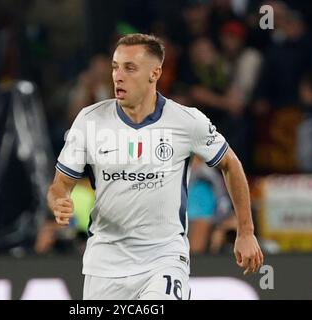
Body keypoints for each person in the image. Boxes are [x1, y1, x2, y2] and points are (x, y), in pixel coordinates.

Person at [47, 33, 264, 300]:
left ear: (155, 73)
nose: (118, 76)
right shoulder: (89, 121)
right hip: (104, 265)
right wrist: (59, 200)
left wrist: (246, 231)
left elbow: (230, 164)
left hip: (164, 260)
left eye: (130, 68)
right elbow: (60, 185)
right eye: (115, 67)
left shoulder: (186, 121)